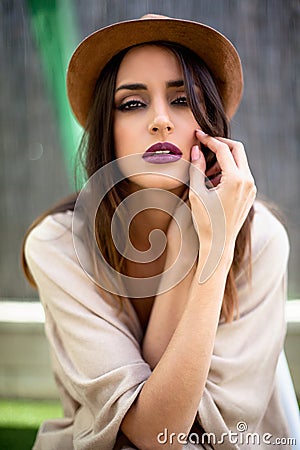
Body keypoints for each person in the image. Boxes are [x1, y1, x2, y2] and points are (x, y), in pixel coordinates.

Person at [22, 13, 292, 450]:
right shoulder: (57, 246)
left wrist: (212, 245)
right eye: (132, 104)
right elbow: (151, 432)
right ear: (105, 130)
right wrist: (192, 241)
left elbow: (191, 433)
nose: (161, 121)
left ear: (211, 127)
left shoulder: (262, 241)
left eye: (183, 99)